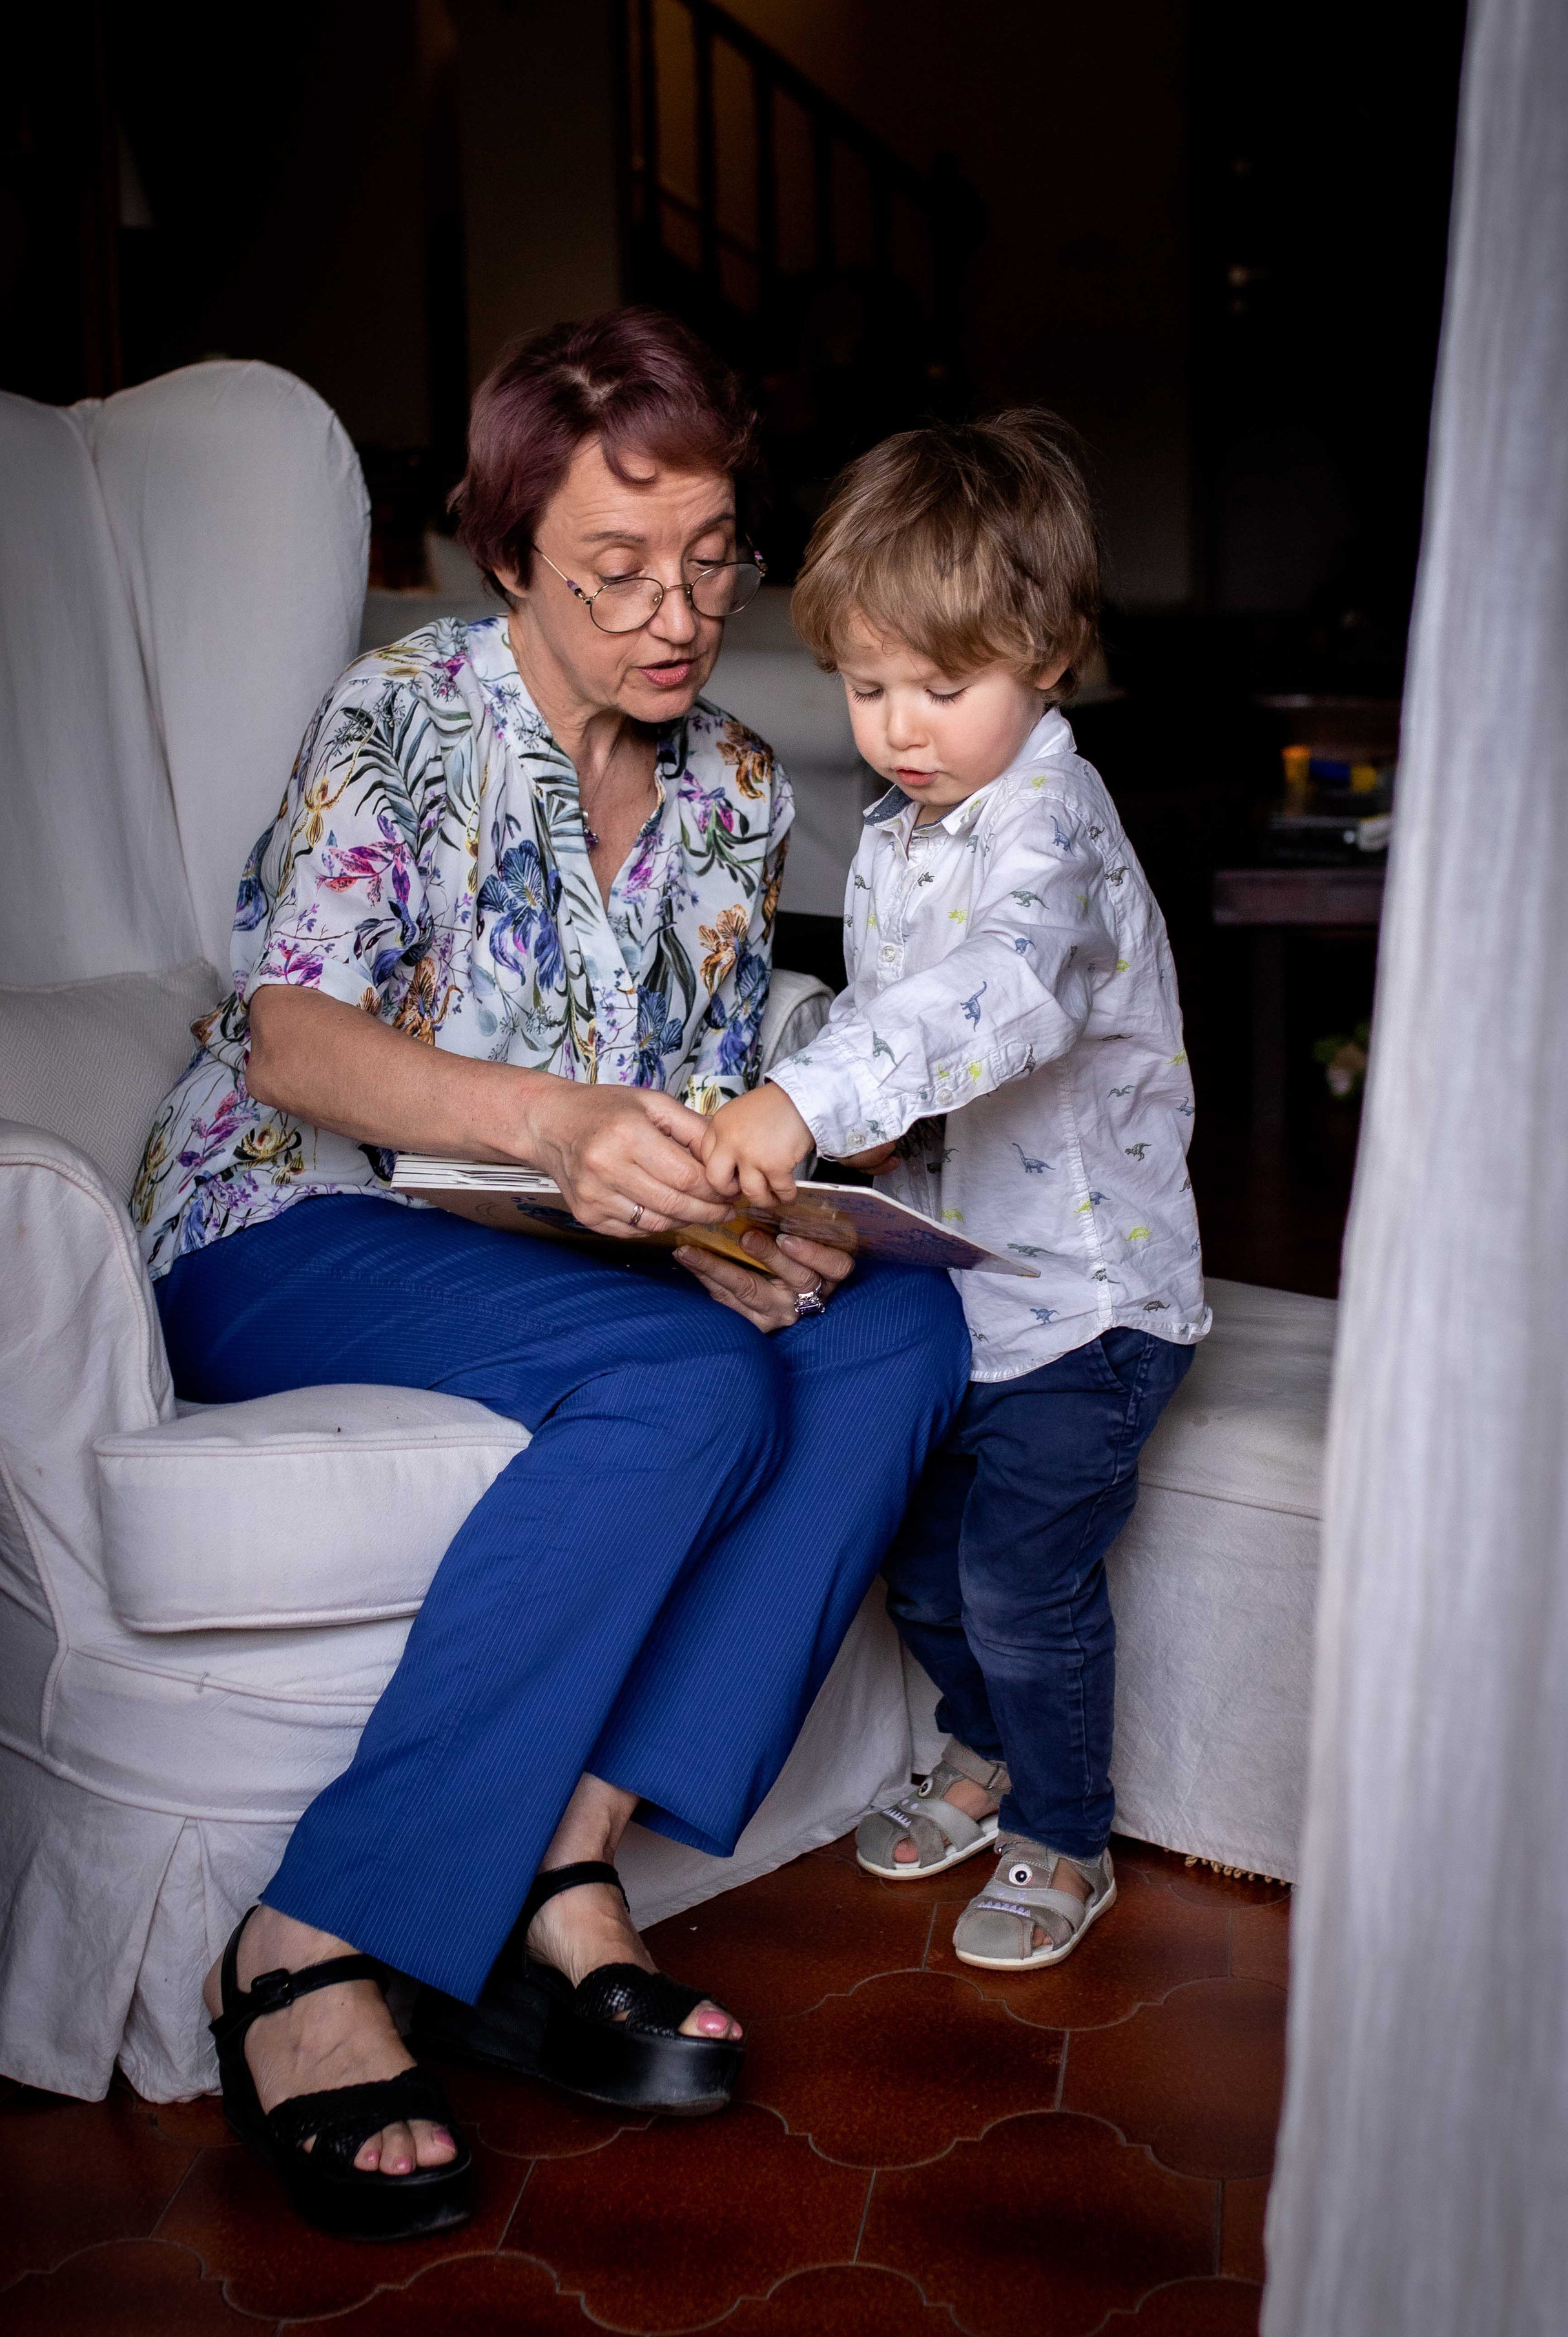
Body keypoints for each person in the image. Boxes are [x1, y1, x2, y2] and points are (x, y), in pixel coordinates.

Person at [131, 308, 969, 2239]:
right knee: (689, 1384)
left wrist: (743, 1206)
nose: (676, 614)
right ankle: (308, 1935)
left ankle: (564, 1864)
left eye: (708, 559)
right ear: (508, 558)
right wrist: (560, 1128)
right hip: (288, 1221)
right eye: (614, 572)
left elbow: (693, 1101)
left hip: (544, 1253)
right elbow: (292, 1046)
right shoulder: (402, 714)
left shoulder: (742, 791)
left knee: (902, 1322)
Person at [701, 409, 1210, 1975]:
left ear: (1046, 658)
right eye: (865, 689)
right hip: (965, 1283)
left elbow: (999, 997)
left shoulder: (1051, 826)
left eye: (942, 686)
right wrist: (827, 1102)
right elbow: (880, 1018)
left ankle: (1062, 1830)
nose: (901, 727)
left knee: (1016, 1572)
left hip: (1090, 1300)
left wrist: (807, 1101)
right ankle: (979, 1759)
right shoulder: (898, 829)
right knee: (917, 1554)